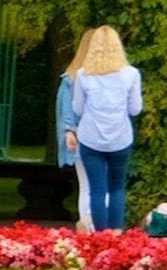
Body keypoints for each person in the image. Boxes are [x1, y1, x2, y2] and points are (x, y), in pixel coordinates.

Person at [55, 26, 144, 232]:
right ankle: (115, 232)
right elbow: (135, 109)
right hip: (120, 138)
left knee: (96, 189)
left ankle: (99, 235)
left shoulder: (83, 75)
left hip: (90, 138)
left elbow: (77, 107)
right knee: (117, 188)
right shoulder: (131, 74)